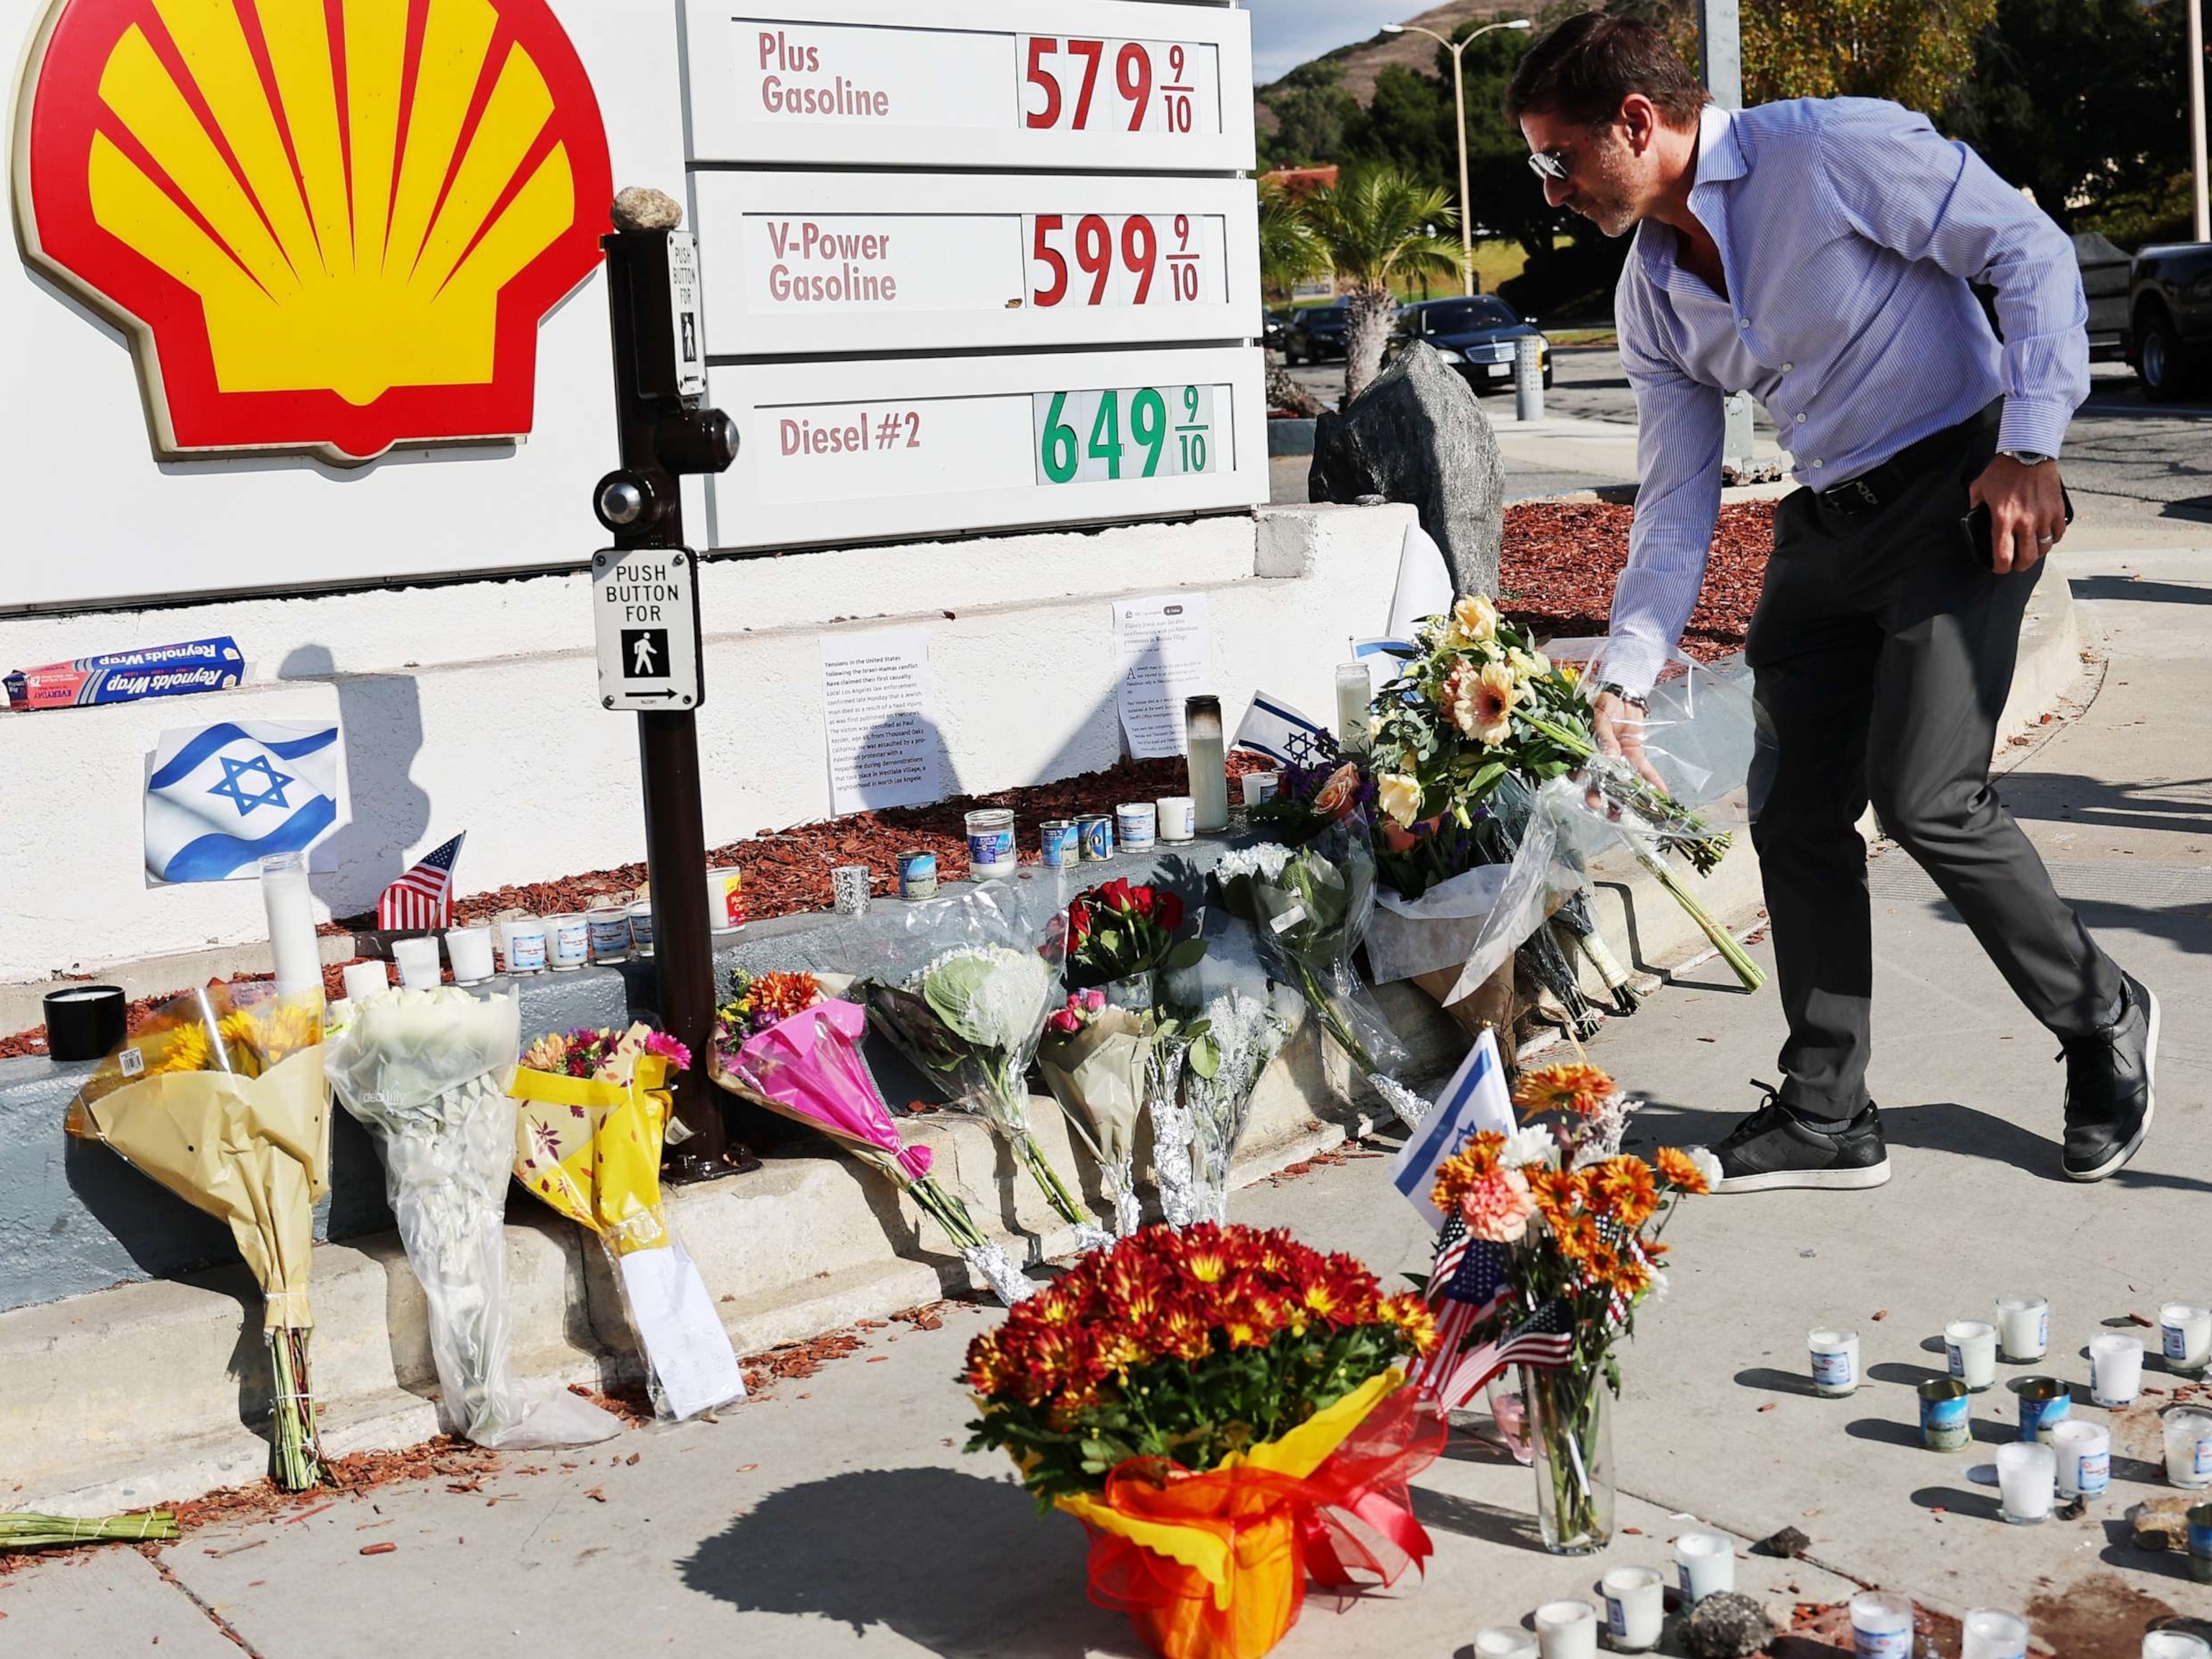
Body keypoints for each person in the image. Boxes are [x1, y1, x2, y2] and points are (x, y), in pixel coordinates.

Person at [1503, 14, 2154, 1192]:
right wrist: (1629, 669)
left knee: (1925, 796)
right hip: (1827, 523)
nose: (1552, 191)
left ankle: (2102, 1013)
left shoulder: (1830, 151)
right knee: (1792, 813)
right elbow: (1677, 494)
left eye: (1559, 158)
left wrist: (2032, 445)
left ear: (1637, 123)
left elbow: (2030, 252)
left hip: (1962, 491)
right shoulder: (1651, 293)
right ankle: (1827, 1111)